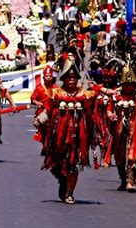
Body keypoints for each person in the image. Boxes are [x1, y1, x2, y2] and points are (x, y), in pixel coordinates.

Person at [42, 59, 96, 204]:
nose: (71, 80)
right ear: (64, 79)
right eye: (68, 77)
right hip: (57, 137)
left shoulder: (84, 95)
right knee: (57, 164)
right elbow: (47, 109)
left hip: (77, 136)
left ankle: (70, 193)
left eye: (73, 77)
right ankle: (63, 182)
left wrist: (93, 133)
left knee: (73, 164)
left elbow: (90, 115)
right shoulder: (55, 93)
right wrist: (40, 119)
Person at [31, 65, 58, 155]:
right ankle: (45, 146)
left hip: (53, 112)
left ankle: (49, 147)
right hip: (42, 112)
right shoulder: (39, 88)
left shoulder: (56, 87)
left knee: (53, 130)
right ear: (43, 77)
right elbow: (33, 98)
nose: (48, 78)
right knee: (43, 130)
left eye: (50, 76)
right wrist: (37, 103)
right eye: (47, 76)